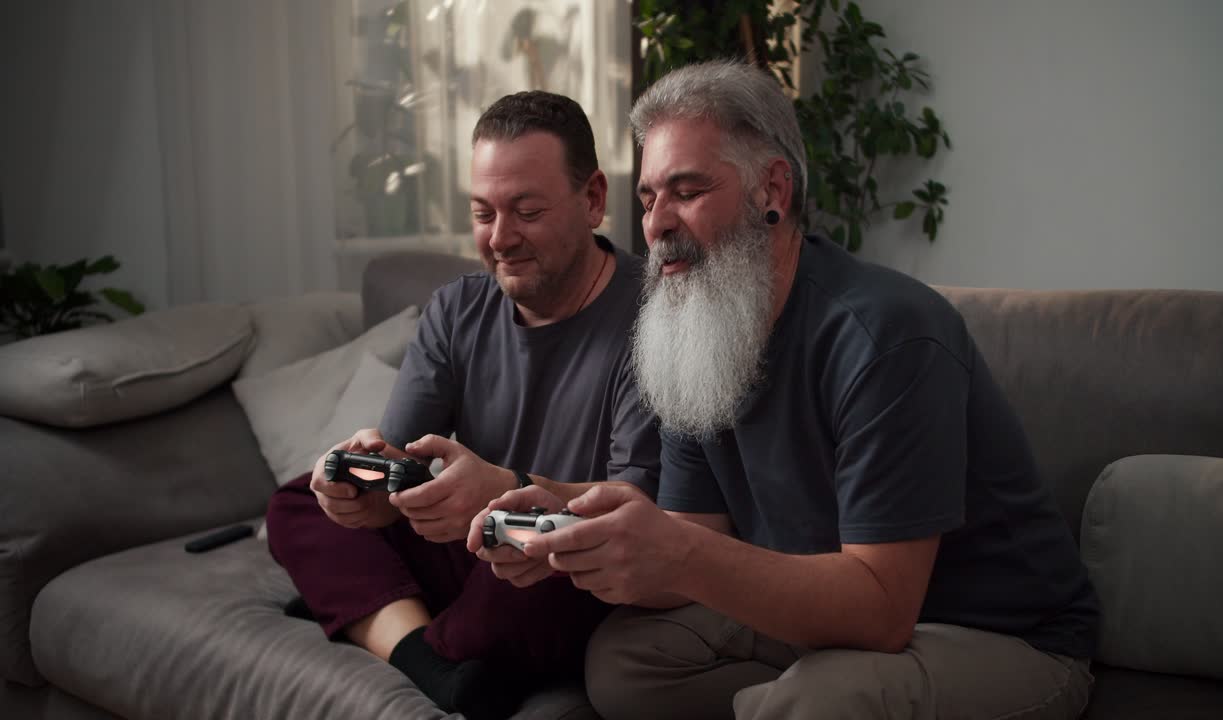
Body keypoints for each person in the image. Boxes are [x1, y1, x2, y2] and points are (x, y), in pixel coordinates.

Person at [471, 61, 1100, 720]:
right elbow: (691, 533)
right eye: (650, 197)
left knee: (822, 701)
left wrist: (675, 552)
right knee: (625, 664)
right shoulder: (698, 324)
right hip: (824, 614)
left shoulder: (889, 333)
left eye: (686, 190)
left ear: (772, 188)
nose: (656, 225)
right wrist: (572, 525)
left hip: (993, 635)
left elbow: (882, 610)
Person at [265, 90, 660, 720]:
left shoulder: (655, 321)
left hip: (553, 546)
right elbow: (400, 474)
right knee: (299, 501)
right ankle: (430, 660)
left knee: (543, 558)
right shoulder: (456, 308)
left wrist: (500, 492)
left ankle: (374, 613)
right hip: (467, 543)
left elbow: (637, 512)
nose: (500, 238)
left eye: (527, 211)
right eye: (483, 212)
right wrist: (362, 483)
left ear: (592, 200)